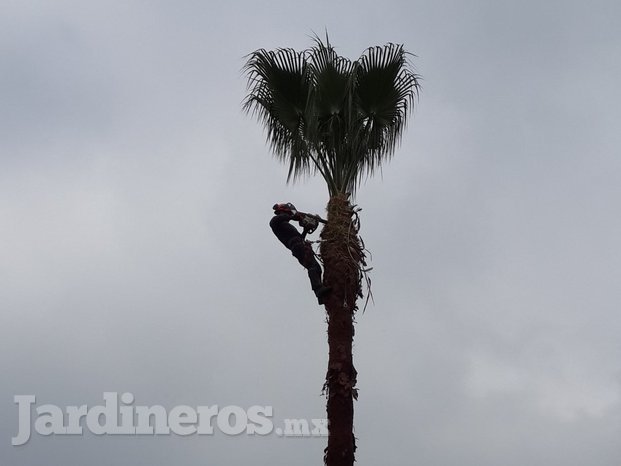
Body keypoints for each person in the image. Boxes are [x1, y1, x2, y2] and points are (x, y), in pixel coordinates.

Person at [270, 203, 331, 305]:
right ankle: (318, 289)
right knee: (311, 266)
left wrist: (305, 230)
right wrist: (294, 214)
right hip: (296, 246)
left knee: (317, 267)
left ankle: (320, 295)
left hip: (300, 245)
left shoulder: (286, 226)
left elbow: (300, 238)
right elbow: (284, 218)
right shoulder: (275, 222)